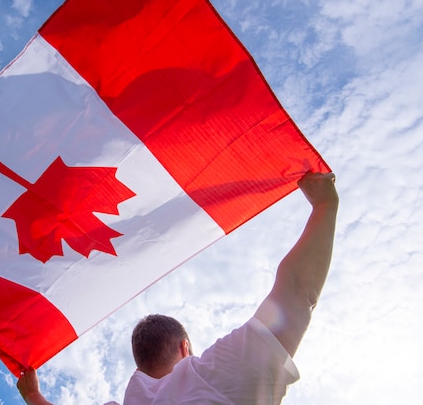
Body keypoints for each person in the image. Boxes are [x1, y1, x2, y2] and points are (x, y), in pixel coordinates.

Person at [17, 172, 339, 404]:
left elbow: (297, 291)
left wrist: (33, 395)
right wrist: (324, 205)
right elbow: (298, 291)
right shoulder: (212, 375)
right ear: (185, 348)